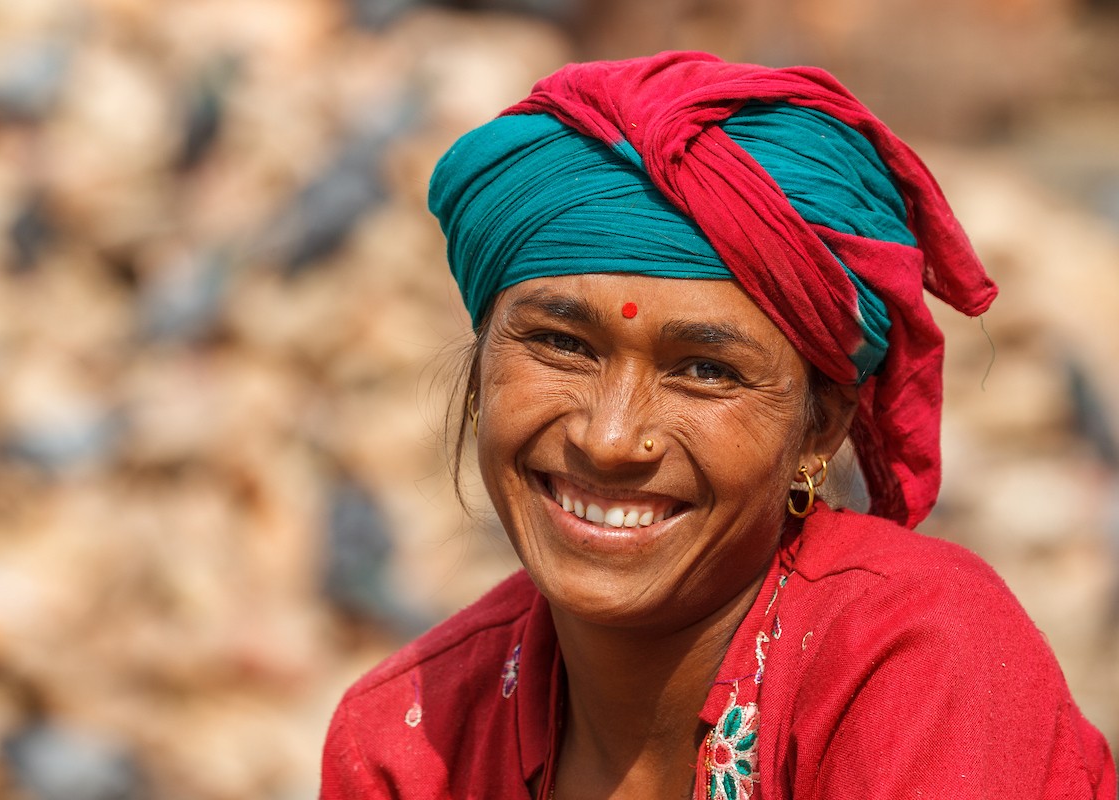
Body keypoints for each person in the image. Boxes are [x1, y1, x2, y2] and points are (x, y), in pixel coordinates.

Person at [320, 52, 1117, 799]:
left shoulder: (917, 659)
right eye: (562, 344)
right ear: (481, 373)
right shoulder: (406, 745)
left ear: (821, 430)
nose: (609, 437)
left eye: (706, 370)